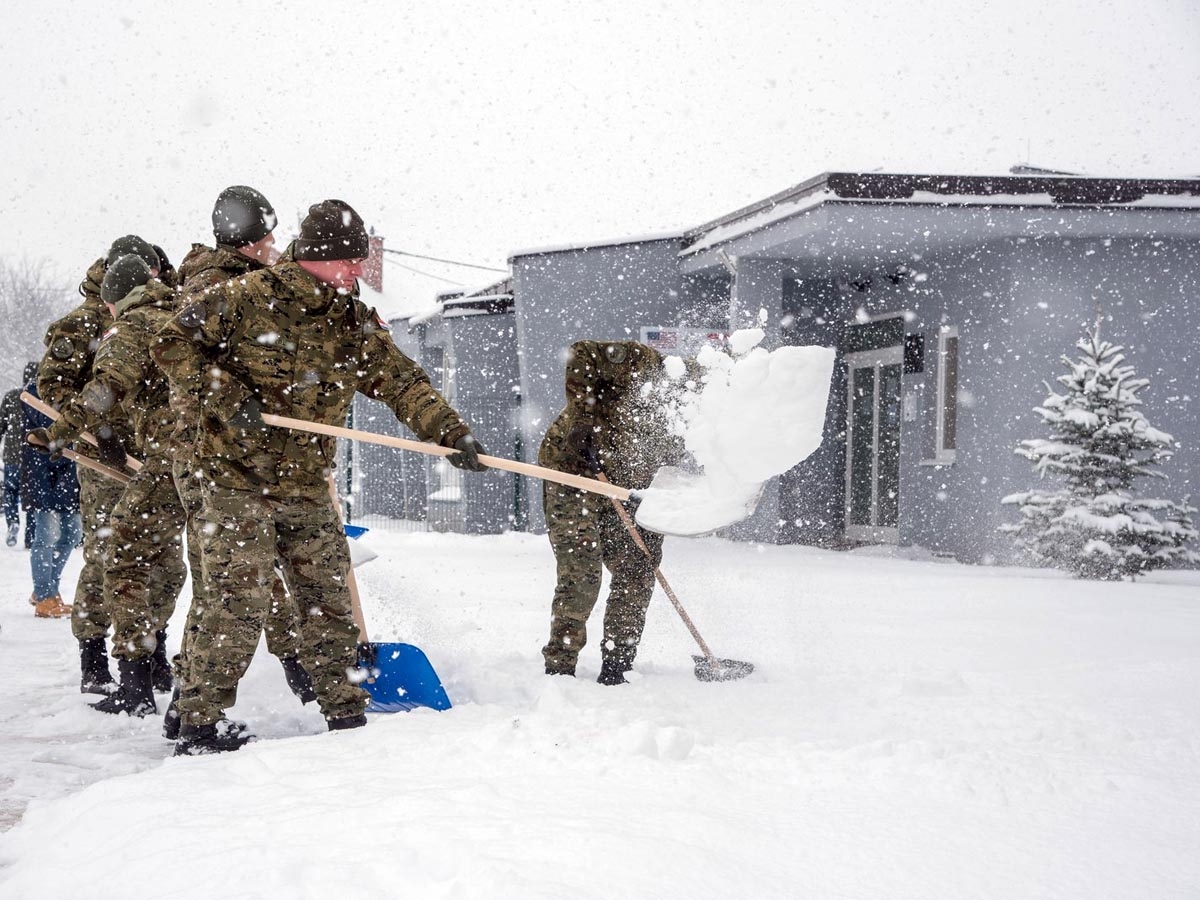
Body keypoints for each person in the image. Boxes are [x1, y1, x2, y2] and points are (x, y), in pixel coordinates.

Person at [154, 198, 487, 755]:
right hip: (230, 474)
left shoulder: (349, 320)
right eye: (350, 259)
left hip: (304, 480)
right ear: (319, 255)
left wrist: (450, 434)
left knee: (326, 597)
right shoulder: (246, 297)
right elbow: (170, 343)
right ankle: (198, 723)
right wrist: (225, 393)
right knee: (239, 598)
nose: (359, 269)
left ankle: (346, 715)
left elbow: (401, 381)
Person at [160, 186, 316, 740]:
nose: (274, 246)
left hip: (212, 459)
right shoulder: (218, 287)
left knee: (215, 589)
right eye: (268, 237)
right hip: (220, 462)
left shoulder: (223, 278)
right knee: (236, 593)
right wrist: (236, 399)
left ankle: (188, 705)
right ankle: (201, 724)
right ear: (249, 240)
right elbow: (183, 359)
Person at [31, 254, 189, 716]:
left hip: (162, 460)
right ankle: (118, 666)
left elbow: (105, 389)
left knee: (132, 559)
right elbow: (61, 386)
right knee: (137, 559)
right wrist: (98, 436)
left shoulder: (134, 325)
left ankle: (141, 678)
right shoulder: (179, 313)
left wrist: (60, 434)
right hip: (159, 461)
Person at [539, 340, 692, 685]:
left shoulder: (697, 420)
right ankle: (560, 668)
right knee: (582, 571)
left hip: (629, 487)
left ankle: (618, 662)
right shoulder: (645, 364)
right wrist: (582, 420)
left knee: (641, 563)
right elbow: (582, 353)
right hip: (573, 470)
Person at [21, 381, 81, 620]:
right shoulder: (35, 391)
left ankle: (46, 590)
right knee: (47, 536)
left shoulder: (76, 390)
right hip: (43, 474)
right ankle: (45, 597)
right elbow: (50, 426)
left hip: (68, 473)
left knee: (72, 535)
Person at [0, 362, 38, 548]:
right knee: (31, 497)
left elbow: (1, 427)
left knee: (10, 492)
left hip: (11, 456)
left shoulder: (11, 397)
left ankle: (13, 522)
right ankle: (30, 536)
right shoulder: (40, 402)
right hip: (31, 457)